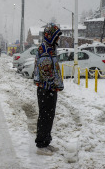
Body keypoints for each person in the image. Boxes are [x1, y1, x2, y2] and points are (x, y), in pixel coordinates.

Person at [33, 23, 64, 156]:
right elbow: (46, 72)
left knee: (49, 116)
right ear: (50, 36)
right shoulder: (45, 49)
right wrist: (57, 83)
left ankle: (46, 142)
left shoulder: (50, 48)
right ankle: (41, 145)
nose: (58, 39)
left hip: (50, 89)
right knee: (45, 116)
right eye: (56, 36)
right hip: (46, 89)